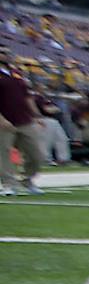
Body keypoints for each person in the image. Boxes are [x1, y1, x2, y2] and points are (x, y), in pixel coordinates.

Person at [0, 63, 43, 196]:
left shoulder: (16, 72)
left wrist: (36, 115)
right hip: (4, 122)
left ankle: (27, 179)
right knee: (4, 155)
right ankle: (8, 184)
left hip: (24, 120)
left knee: (36, 154)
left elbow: (27, 96)